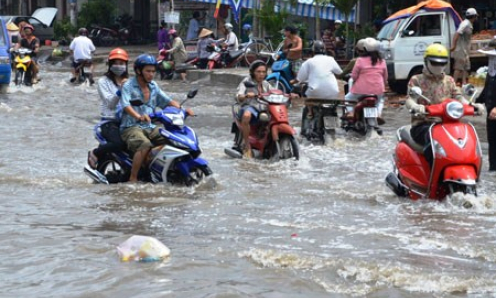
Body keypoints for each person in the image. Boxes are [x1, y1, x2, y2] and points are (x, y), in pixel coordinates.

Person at [406, 43, 485, 167]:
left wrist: (472, 105)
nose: (439, 66)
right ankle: (432, 176)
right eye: (435, 62)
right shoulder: (416, 80)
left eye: (442, 63)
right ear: (426, 61)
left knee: (466, 141)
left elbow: (458, 97)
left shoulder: (449, 80)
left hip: (448, 124)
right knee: (433, 145)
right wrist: (415, 107)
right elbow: (410, 99)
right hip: (424, 125)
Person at [119, 54, 183, 182]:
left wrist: (183, 110)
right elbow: (125, 105)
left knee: (172, 140)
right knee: (144, 144)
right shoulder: (128, 86)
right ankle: (133, 177)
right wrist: (138, 116)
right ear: (138, 71)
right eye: (148, 71)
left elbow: (167, 101)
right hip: (131, 126)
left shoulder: (154, 86)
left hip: (150, 126)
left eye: (153, 71)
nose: (151, 74)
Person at [87, 48, 129, 169]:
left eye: (121, 64)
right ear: (110, 65)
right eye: (115, 63)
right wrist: (121, 89)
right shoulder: (103, 82)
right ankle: (95, 153)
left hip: (127, 119)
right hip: (109, 121)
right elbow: (110, 103)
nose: (119, 66)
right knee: (119, 143)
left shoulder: (130, 82)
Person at [236, 60, 273, 158]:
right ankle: (247, 144)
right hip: (250, 106)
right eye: (258, 71)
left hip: (263, 108)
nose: (261, 74)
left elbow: (274, 92)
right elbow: (239, 96)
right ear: (253, 72)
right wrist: (246, 95)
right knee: (246, 115)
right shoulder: (246, 81)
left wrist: (290, 94)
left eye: (263, 72)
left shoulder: (266, 84)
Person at [344, 37, 387, 122]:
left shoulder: (360, 60)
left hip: (360, 90)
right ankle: (378, 113)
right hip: (378, 91)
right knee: (381, 100)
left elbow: (354, 76)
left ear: (364, 49)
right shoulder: (382, 61)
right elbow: (385, 77)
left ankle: (351, 112)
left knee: (347, 98)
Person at [296, 40, 343, 118]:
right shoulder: (330, 59)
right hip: (333, 92)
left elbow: (300, 78)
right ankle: (333, 110)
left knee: (304, 89)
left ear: (312, 51)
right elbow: (339, 72)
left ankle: (310, 111)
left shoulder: (308, 62)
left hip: (314, 93)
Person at [476, 39, 496, 171]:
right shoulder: (491, 71)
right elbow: (487, 89)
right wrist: (475, 103)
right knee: (492, 141)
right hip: (491, 113)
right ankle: (493, 168)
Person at [450, 8, 478, 86]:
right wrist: (453, 46)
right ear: (474, 16)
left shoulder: (469, 23)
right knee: (458, 68)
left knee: (465, 67)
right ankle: (453, 84)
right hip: (460, 49)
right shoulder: (465, 24)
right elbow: (457, 34)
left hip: (465, 50)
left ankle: (464, 83)